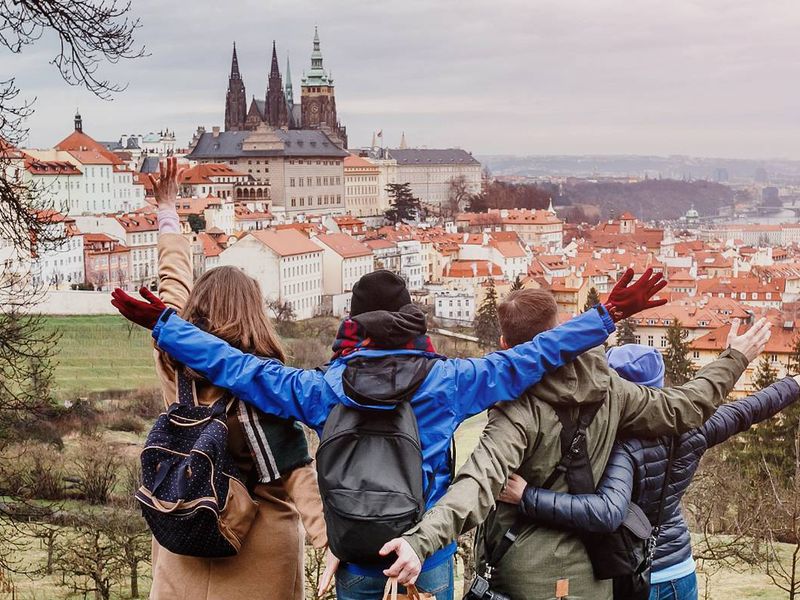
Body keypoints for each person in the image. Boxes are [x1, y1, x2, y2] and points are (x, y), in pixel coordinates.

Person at [110, 257, 667, 600]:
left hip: (358, 549)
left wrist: (166, 326)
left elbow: (238, 366)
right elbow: (532, 356)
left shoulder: (322, 390)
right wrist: (604, 317)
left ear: (355, 327)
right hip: (426, 550)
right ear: (411, 323)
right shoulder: (449, 382)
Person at [382, 289, 771, 600]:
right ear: (562, 330)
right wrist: (734, 358)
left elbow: (477, 483)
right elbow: (684, 407)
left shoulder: (518, 409)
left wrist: (421, 542)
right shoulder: (611, 389)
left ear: (505, 343)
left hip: (522, 578)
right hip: (593, 579)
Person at [141, 158, 330, 600]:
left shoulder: (174, 358)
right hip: (261, 550)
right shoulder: (267, 380)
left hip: (184, 526)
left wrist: (168, 211)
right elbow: (297, 470)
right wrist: (334, 543)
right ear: (254, 312)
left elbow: (173, 283)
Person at [497, 342, 800, 600]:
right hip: (681, 567)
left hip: (636, 574)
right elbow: (751, 408)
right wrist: (794, 383)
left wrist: (527, 496)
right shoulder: (693, 426)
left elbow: (606, 512)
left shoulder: (619, 444)